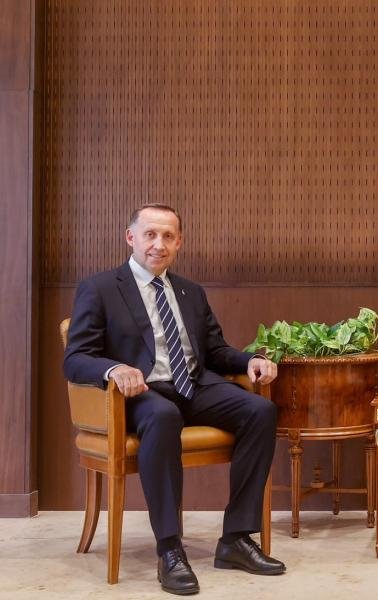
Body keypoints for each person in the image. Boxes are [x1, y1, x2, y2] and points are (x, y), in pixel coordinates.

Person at [63, 204, 285, 595]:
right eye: (150, 234)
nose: (158, 244)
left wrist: (250, 360)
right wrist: (114, 369)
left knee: (260, 410)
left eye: (168, 236)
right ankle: (170, 550)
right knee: (164, 416)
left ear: (179, 242)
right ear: (131, 237)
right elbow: (76, 358)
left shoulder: (190, 292)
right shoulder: (100, 288)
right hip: (140, 394)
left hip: (193, 385)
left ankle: (236, 539)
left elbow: (215, 351)